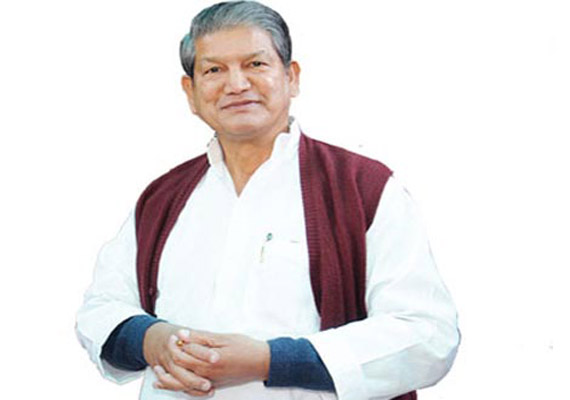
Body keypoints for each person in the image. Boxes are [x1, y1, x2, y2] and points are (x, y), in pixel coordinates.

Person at [76, 1, 460, 399]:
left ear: (291, 77)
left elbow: (427, 334)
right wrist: (152, 339)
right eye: (213, 70)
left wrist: (270, 361)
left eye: (255, 64)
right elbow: (100, 308)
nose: (236, 84)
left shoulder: (362, 188)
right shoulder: (163, 198)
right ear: (190, 92)